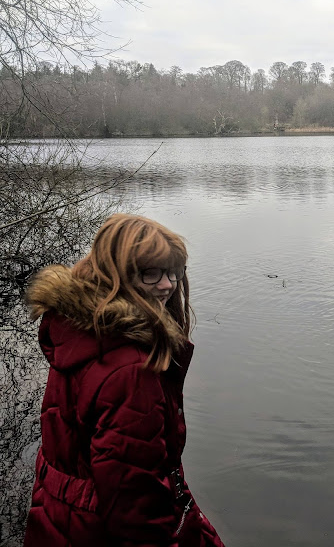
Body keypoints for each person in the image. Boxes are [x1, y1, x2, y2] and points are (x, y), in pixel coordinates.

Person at [23, 214, 225, 546]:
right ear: (116, 273)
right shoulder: (130, 369)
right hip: (98, 529)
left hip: (58, 517)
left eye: (174, 272)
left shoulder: (78, 332)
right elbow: (134, 503)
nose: (167, 285)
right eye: (151, 273)